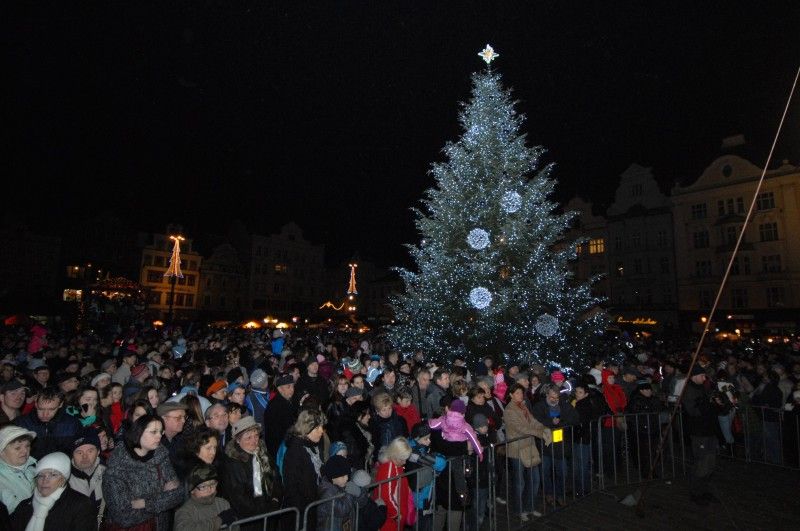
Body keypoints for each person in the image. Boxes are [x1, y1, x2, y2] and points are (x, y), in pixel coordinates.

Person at [102, 414, 185, 529]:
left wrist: (145, 503)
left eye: (160, 432)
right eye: (153, 432)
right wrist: (163, 500)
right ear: (138, 432)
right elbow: (124, 517)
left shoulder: (161, 456)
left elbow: (179, 494)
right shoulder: (117, 467)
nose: (159, 437)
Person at [219, 416, 282, 530]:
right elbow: (237, 496)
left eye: (256, 435)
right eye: (248, 438)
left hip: (269, 515)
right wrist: (261, 511)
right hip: (248, 520)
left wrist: (275, 500)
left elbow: (276, 479)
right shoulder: (233, 463)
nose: (254, 440)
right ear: (238, 440)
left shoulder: (264, 455)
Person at [9, 451, 95, 531]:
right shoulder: (25, 506)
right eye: (41, 475)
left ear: (63, 479)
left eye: (53, 475)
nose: (45, 480)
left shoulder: (81, 505)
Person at [503, 383, 551, 521]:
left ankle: (530, 506)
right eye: (517, 393)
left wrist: (543, 428)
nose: (520, 395)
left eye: (521, 393)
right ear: (511, 395)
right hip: (517, 448)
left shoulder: (523, 406)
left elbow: (533, 421)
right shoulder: (509, 410)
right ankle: (519, 510)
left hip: (529, 446)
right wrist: (539, 433)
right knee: (520, 482)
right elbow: (520, 428)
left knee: (535, 479)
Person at [682, 365, 725, 506]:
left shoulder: (702, 388)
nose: (704, 378)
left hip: (709, 430)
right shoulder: (689, 390)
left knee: (710, 462)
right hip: (699, 431)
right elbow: (694, 411)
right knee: (702, 462)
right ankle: (696, 492)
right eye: (702, 375)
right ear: (694, 376)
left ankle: (704, 489)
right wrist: (709, 404)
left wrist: (716, 403)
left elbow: (709, 407)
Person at [532, 384, 579, 507]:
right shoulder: (539, 406)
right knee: (545, 471)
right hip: (545, 445)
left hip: (560, 445)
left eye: (556, 398)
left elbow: (574, 417)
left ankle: (559, 494)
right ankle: (548, 493)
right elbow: (536, 421)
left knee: (562, 472)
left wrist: (560, 423)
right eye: (552, 397)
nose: (554, 400)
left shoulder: (564, 405)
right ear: (547, 395)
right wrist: (550, 423)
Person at [282, 409, 326, 531]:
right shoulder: (295, 451)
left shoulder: (315, 445)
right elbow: (292, 485)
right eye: (317, 428)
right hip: (301, 513)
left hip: (313, 507)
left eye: (321, 427)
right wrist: (303, 511)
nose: (321, 431)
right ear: (307, 428)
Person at [14, 387, 82, 460]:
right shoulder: (21, 423)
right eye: (41, 409)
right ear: (36, 404)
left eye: (51, 409)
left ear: (60, 404)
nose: (45, 414)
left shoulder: (72, 424)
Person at [174, 464, 237, 531]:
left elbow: (234, 527)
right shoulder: (185, 512)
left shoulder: (223, 504)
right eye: (203, 487)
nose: (209, 490)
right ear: (192, 490)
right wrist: (218, 521)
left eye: (212, 484)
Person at [373, 437, 414, 531]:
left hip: (395, 515)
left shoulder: (395, 465)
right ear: (394, 455)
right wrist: (396, 514)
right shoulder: (388, 468)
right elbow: (386, 495)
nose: (404, 463)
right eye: (402, 459)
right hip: (390, 519)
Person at [68, 428, 106, 527]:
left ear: (98, 452)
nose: (84, 457)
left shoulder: (108, 474)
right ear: (72, 454)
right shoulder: (63, 480)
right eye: (79, 452)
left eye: (90, 451)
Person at [0, 425, 37, 514]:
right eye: (18, 448)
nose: (25, 451)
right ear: (1, 452)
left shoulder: (36, 468)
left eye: (27, 446)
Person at [316, 455, 356, 531]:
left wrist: (359, 493)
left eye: (347, 475)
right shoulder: (327, 491)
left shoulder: (340, 485)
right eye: (343, 476)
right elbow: (341, 509)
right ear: (333, 477)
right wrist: (350, 494)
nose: (347, 478)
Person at [263, 374, 298, 459]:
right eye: (288, 387)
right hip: (280, 450)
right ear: (280, 389)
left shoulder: (287, 401)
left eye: (293, 386)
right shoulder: (276, 406)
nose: (292, 390)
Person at [370, 392, 408, 459]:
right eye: (384, 410)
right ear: (377, 411)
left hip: (401, 454)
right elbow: (375, 445)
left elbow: (406, 437)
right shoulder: (373, 424)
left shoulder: (400, 420)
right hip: (383, 457)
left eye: (389, 408)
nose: (387, 412)